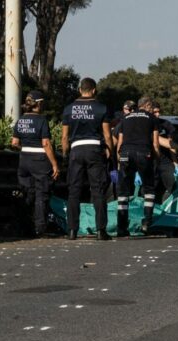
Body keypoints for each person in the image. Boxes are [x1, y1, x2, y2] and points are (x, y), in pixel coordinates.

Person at [61, 77, 114, 240]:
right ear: (94, 90)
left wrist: (65, 155)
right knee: (97, 190)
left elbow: (64, 137)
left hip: (76, 150)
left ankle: (72, 230)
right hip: (94, 149)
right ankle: (100, 231)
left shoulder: (69, 109)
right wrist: (110, 152)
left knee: (74, 190)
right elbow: (107, 134)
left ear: (80, 90)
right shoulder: (101, 108)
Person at [11, 90, 60, 237]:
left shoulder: (20, 120)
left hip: (24, 159)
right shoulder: (42, 120)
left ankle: (23, 226)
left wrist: (26, 148)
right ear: (39, 104)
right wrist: (54, 164)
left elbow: (14, 143)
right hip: (40, 160)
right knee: (41, 194)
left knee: (26, 192)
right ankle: (40, 227)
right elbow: (46, 143)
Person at [116, 96, 158, 236]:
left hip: (125, 153)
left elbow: (119, 142)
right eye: (151, 107)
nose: (152, 110)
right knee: (149, 188)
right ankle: (147, 222)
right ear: (146, 106)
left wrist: (119, 160)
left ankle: (121, 227)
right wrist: (155, 158)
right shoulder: (152, 118)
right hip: (143, 152)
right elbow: (155, 143)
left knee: (123, 191)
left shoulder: (125, 118)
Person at [151, 104, 178, 202]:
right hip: (150, 160)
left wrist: (175, 163)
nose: (157, 114)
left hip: (165, 160)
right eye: (155, 112)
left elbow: (171, 145)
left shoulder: (166, 125)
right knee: (150, 189)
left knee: (173, 185)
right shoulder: (144, 124)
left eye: (159, 111)